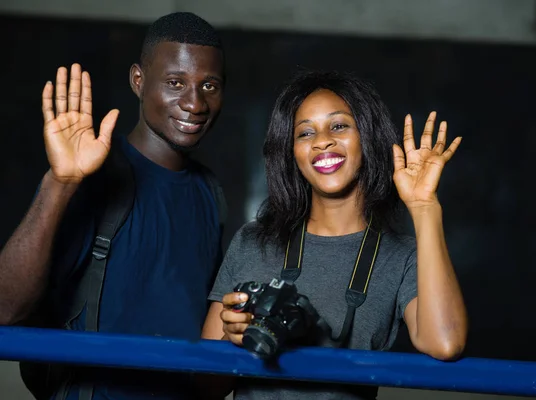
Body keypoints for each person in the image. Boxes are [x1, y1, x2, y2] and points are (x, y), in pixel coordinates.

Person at [0, 12, 227, 400]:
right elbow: (6, 311)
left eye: (209, 85)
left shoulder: (210, 193)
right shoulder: (92, 175)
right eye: (175, 83)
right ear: (138, 80)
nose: (194, 102)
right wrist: (61, 182)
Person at [201, 70, 468, 399]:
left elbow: (445, 343)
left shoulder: (403, 257)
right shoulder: (254, 242)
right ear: (292, 153)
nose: (322, 141)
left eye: (338, 126)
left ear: (366, 137)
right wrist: (233, 336)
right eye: (305, 133)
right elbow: (204, 389)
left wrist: (425, 206)